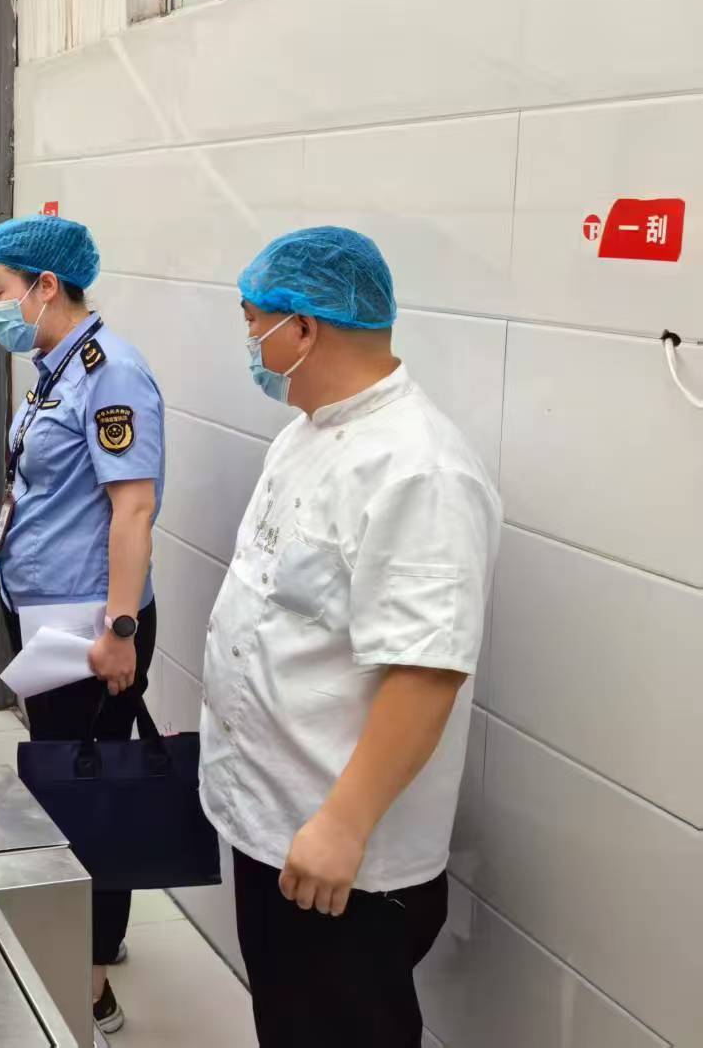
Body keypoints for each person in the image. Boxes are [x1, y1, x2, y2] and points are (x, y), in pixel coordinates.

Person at [203, 227, 500, 1047]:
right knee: (290, 1020)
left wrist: (342, 823)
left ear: (302, 327)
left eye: (253, 322)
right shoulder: (305, 434)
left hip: (344, 858)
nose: (249, 343)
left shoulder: (421, 470)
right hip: (279, 824)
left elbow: (426, 672)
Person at [0, 214, 164, 1035]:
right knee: (72, 784)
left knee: (91, 794)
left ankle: (89, 986)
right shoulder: (56, 369)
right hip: (49, 619)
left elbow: (134, 507)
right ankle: (97, 935)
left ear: (46, 286)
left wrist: (119, 629)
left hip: (91, 628)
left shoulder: (109, 372)